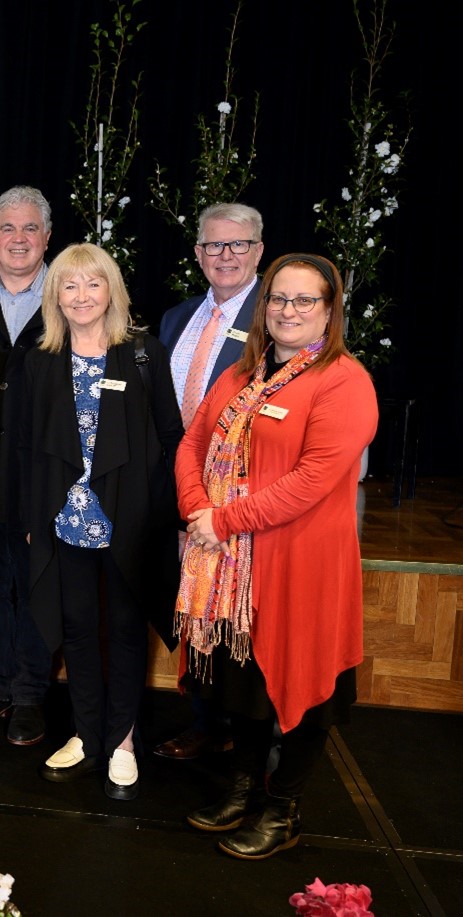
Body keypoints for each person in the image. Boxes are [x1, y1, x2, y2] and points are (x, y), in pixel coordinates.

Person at [176, 253, 376, 859]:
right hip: (230, 570)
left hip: (302, 569)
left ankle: (284, 807)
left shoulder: (344, 381)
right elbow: (194, 440)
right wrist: (196, 508)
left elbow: (315, 478)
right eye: (279, 300)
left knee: (304, 684)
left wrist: (225, 519)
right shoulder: (242, 374)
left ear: (329, 311)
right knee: (243, 684)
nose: (288, 312)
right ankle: (244, 787)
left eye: (303, 301)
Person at [16, 243, 183, 801]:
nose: (81, 296)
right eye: (69, 285)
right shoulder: (39, 356)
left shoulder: (142, 354)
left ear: (111, 290)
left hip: (129, 522)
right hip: (65, 521)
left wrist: (176, 514)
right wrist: (30, 518)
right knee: (79, 631)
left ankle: (124, 740)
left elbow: (171, 437)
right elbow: (22, 448)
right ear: (54, 294)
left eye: (93, 284)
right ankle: (87, 735)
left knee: (128, 632)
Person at [154, 202, 265, 760]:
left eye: (238, 245)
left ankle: (244, 731)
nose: (226, 256)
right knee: (193, 604)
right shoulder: (178, 318)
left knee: (235, 613)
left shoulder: (277, 320)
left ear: (258, 251)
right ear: (198, 254)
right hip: (180, 490)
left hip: (241, 503)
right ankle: (206, 718)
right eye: (214, 246)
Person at [0, 185, 56, 747]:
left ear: (47, 237)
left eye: (30, 229)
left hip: (46, 470)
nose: (19, 239)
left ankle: (30, 693)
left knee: (38, 582)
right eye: (8, 229)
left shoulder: (72, 296)